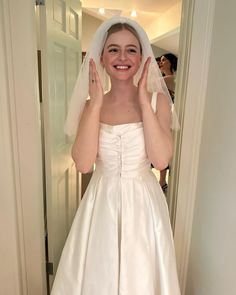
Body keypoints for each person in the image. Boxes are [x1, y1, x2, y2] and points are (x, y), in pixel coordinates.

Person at [51, 16, 180, 295]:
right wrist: (96, 103)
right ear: (101, 57)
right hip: (102, 201)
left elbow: (161, 161)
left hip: (143, 202)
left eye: (131, 49)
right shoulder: (90, 105)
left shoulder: (158, 102)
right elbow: (84, 164)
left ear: (142, 56)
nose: (122, 57)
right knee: (101, 272)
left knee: (141, 274)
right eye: (113, 49)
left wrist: (144, 101)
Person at [157, 53, 178, 193]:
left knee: (165, 148)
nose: (161, 62)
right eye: (161, 60)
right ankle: (162, 179)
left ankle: (163, 179)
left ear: (171, 62)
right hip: (161, 117)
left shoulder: (172, 79)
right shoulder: (163, 79)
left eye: (164, 60)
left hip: (171, 118)